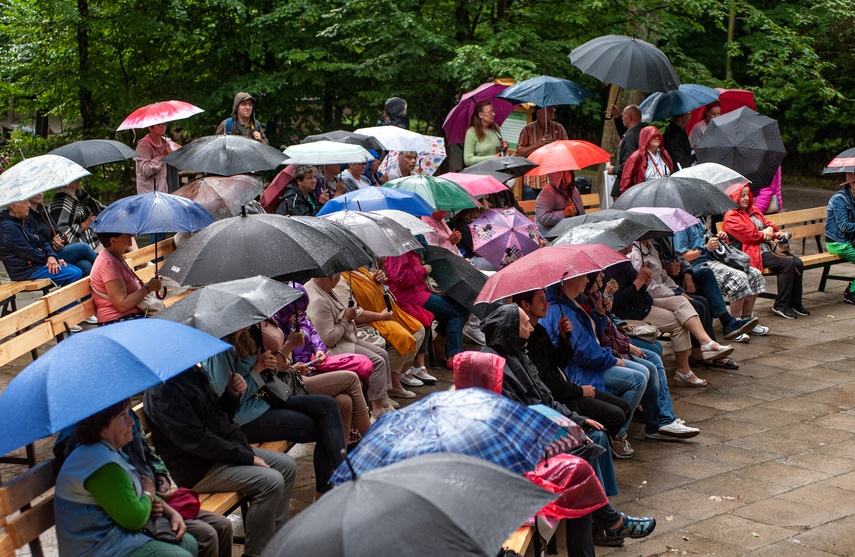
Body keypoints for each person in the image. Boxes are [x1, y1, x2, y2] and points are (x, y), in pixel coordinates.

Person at [481, 304, 656, 553]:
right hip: (526, 447)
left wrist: (578, 420)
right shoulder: (498, 365)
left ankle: (608, 520)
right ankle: (609, 521)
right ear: (509, 329)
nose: (530, 326)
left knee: (593, 441)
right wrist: (570, 425)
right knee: (583, 462)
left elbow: (546, 397)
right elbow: (526, 414)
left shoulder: (519, 352)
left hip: (545, 425)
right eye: (524, 323)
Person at [145, 365, 296, 557]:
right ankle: (258, 553)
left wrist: (231, 395)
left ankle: (276, 543)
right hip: (199, 469)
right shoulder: (163, 392)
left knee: (287, 466)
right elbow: (198, 440)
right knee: (270, 481)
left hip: (222, 451)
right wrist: (247, 458)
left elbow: (219, 417)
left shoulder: (192, 373)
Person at [200, 325, 345, 497]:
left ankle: (339, 481)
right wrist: (257, 369)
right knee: (322, 427)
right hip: (245, 418)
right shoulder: (218, 351)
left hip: (265, 401)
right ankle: (336, 488)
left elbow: (263, 377)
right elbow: (231, 400)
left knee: (327, 405)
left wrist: (270, 367)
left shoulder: (245, 336)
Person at [55, 399, 198, 557]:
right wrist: (148, 496)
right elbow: (135, 519)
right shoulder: (100, 464)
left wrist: (171, 513)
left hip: (115, 538)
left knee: (188, 543)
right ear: (102, 429)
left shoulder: (109, 450)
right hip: (97, 549)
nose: (131, 421)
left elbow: (136, 489)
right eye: (123, 417)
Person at [579, 274, 700, 440]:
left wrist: (610, 315)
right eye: (597, 274)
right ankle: (618, 432)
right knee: (643, 373)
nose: (603, 275)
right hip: (603, 356)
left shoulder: (594, 296)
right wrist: (622, 350)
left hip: (612, 346)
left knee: (654, 357)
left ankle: (661, 420)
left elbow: (605, 326)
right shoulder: (579, 304)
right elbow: (597, 342)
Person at [540, 277, 649, 459]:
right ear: (568, 281)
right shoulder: (561, 310)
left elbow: (588, 339)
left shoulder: (571, 303)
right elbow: (582, 352)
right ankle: (616, 435)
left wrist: (599, 314)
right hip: (581, 371)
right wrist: (610, 359)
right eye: (583, 277)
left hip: (594, 360)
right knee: (637, 380)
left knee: (645, 370)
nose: (589, 280)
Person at [513, 288, 631, 440]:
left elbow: (558, 362)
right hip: (562, 397)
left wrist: (564, 338)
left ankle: (601, 442)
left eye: (545, 298)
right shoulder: (526, 340)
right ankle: (592, 443)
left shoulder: (539, 330)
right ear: (525, 305)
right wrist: (579, 391)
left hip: (566, 388)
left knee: (624, 408)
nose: (546, 304)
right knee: (616, 415)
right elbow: (547, 383)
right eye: (541, 300)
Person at [604, 257, 734, 388]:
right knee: (679, 324)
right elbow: (619, 301)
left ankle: (706, 342)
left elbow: (641, 290)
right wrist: (640, 281)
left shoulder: (624, 260)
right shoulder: (613, 265)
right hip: (634, 312)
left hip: (645, 303)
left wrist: (645, 283)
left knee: (682, 301)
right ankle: (684, 371)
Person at [258, 317, 372, 445]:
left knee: (344, 401)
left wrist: (310, 354)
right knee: (351, 379)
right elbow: (267, 370)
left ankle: (342, 456)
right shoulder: (254, 327)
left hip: (293, 375)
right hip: (280, 388)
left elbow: (310, 334)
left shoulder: (270, 315)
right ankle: (372, 442)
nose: (299, 312)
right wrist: (289, 346)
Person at [304, 274, 398, 417]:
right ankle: (378, 409)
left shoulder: (322, 287)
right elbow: (328, 339)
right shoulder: (318, 300)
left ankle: (383, 399)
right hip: (333, 347)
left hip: (346, 337)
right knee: (377, 361)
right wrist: (347, 318)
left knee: (382, 354)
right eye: (336, 280)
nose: (337, 283)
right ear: (330, 279)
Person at [338, 264, 435, 387]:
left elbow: (377, 286)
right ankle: (392, 383)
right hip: (370, 319)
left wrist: (378, 278)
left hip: (385, 311)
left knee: (418, 329)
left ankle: (401, 372)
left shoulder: (358, 269)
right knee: (402, 336)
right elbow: (352, 313)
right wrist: (380, 316)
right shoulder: (340, 280)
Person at [723, 183, 807, 318]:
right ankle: (781, 305)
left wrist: (771, 230)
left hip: (767, 248)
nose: (745, 198)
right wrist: (771, 233)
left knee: (798, 262)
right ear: (734, 197)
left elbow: (769, 224)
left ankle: (795, 303)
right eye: (741, 195)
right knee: (788, 264)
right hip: (752, 252)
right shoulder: (731, 216)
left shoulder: (753, 210)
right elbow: (750, 236)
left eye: (747, 195)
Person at [674, 220, 768, 333]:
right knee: (738, 277)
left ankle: (746, 319)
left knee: (755, 274)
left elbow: (707, 241)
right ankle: (735, 324)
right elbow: (682, 257)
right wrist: (705, 248)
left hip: (715, 259)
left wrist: (718, 238)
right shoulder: (680, 226)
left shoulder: (698, 221)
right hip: (697, 266)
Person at [385, 249, 468, 368]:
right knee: (455, 311)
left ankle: (441, 342)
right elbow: (401, 278)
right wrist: (422, 269)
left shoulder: (409, 249)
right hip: (408, 295)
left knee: (461, 305)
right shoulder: (398, 251)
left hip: (418, 291)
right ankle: (454, 355)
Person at [0, 199, 83, 286]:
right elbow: (27, 252)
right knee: (73, 273)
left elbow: (41, 240)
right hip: (25, 271)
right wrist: (48, 259)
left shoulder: (24, 220)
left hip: (36, 264)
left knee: (79, 269)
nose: (29, 205)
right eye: (25, 202)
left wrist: (52, 256)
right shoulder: (7, 228)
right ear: (13, 207)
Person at [89, 232, 162, 325]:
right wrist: (148, 288)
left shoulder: (115, 256)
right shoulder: (108, 263)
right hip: (117, 321)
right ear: (113, 241)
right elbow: (122, 305)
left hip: (130, 316)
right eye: (126, 235)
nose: (131, 236)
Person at [27, 193, 96, 276]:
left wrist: (60, 241)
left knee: (85, 265)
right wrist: (52, 246)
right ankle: (108, 272)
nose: (40, 194)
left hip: (56, 250)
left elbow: (57, 232)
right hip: (47, 255)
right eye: (36, 192)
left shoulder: (44, 211)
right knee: (84, 248)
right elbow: (35, 242)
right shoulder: (26, 217)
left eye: (41, 191)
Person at [514, 106, 569, 200]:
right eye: (548, 109)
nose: (553, 111)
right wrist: (537, 144)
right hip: (533, 180)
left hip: (553, 180)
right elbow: (519, 153)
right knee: (531, 212)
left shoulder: (559, 128)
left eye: (553, 109)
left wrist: (554, 143)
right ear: (538, 113)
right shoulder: (528, 129)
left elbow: (567, 151)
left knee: (550, 212)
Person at [825, 172, 855, 304]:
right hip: (837, 242)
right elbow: (844, 226)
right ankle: (851, 293)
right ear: (852, 184)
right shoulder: (839, 199)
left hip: (850, 241)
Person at [49, 179, 104, 250]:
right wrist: (85, 224)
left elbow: (99, 207)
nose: (78, 179)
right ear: (65, 182)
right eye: (73, 178)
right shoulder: (60, 203)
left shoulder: (80, 193)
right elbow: (64, 235)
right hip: (80, 243)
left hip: (96, 231)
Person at [619, 125, 673, 194]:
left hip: (664, 193)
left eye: (658, 136)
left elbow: (671, 172)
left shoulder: (664, 154)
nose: (657, 138)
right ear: (646, 138)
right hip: (645, 196)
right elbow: (626, 180)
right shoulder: (636, 157)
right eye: (653, 136)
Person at [606, 104, 643, 197]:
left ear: (629, 117)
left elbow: (629, 164)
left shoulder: (631, 137)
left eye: (623, 115)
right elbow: (625, 134)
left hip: (628, 187)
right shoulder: (643, 131)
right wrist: (617, 117)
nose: (622, 118)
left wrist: (613, 170)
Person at [535, 170, 585, 236]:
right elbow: (543, 217)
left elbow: (582, 214)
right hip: (550, 234)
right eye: (564, 173)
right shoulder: (548, 192)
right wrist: (564, 213)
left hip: (571, 231)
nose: (568, 175)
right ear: (557, 176)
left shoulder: (573, 190)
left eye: (570, 172)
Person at [135, 123, 179, 194]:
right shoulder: (143, 145)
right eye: (159, 124)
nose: (163, 127)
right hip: (148, 194)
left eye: (165, 124)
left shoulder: (166, 143)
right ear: (150, 127)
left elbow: (182, 151)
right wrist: (162, 156)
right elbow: (146, 170)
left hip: (163, 192)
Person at [463, 100, 507, 167]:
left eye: (493, 111)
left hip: (495, 171)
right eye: (490, 112)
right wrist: (491, 158)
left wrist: (504, 148)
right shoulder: (471, 132)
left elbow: (499, 153)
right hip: (479, 172)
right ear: (481, 115)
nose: (493, 114)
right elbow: (468, 160)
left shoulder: (495, 129)